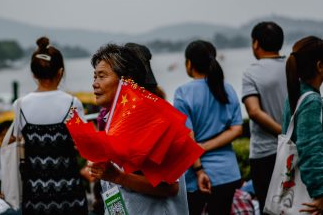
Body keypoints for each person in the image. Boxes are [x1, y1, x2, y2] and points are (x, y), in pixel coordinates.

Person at [87, 44, 189, 214]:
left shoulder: (151, 119)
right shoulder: (114, 117)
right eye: (94, 77)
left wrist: (118, 177)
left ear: (126, 80)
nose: (94, 84)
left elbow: (170, 186)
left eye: (102, 76)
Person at [12, 36, 88, 214]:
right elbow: (84, 143)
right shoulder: (72, 103)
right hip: (70, 192)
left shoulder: (19, 105)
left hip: (35, 195)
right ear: (60, 72)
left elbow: (17, 141)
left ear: (33, 74)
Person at [173, 40, 242, 215]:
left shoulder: (183, 93)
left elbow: (188, 136)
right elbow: (236, 129)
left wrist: (198, 168)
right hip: (228, 173)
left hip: (199, 177)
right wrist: (205, 146)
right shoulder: (228, 88)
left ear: (189, 63)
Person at [241, 21, 287, 213]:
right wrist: (292, 135)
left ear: (256, 43)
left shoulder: (251, 72)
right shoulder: (295, 68)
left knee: (268, 208)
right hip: (296, 149)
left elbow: (254, 111)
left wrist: (283, 133)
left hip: (265, 153)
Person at [282, 36, 323, 214]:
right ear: (320, 66)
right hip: (310, 196)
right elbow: (310, 147)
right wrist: (320, 192)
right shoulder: (312, 100)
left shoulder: (297, 93)